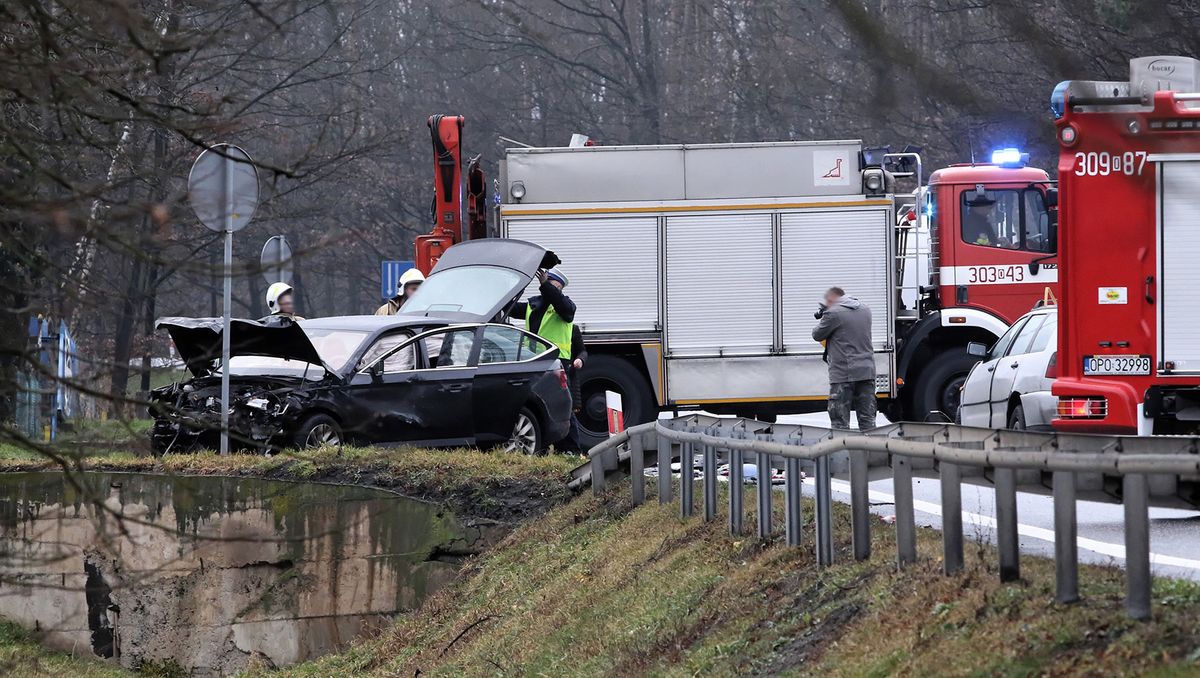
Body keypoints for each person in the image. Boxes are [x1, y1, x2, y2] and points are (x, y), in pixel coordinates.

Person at [812, 286, 876, 431]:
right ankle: (873, 452)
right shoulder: (865, 309)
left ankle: (842, 453)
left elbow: (817, 335)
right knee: (868, 421)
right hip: (867, 372)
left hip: (843, 374)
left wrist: (825, 313)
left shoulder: (833, 313)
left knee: (839, 423)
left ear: (832, 298)